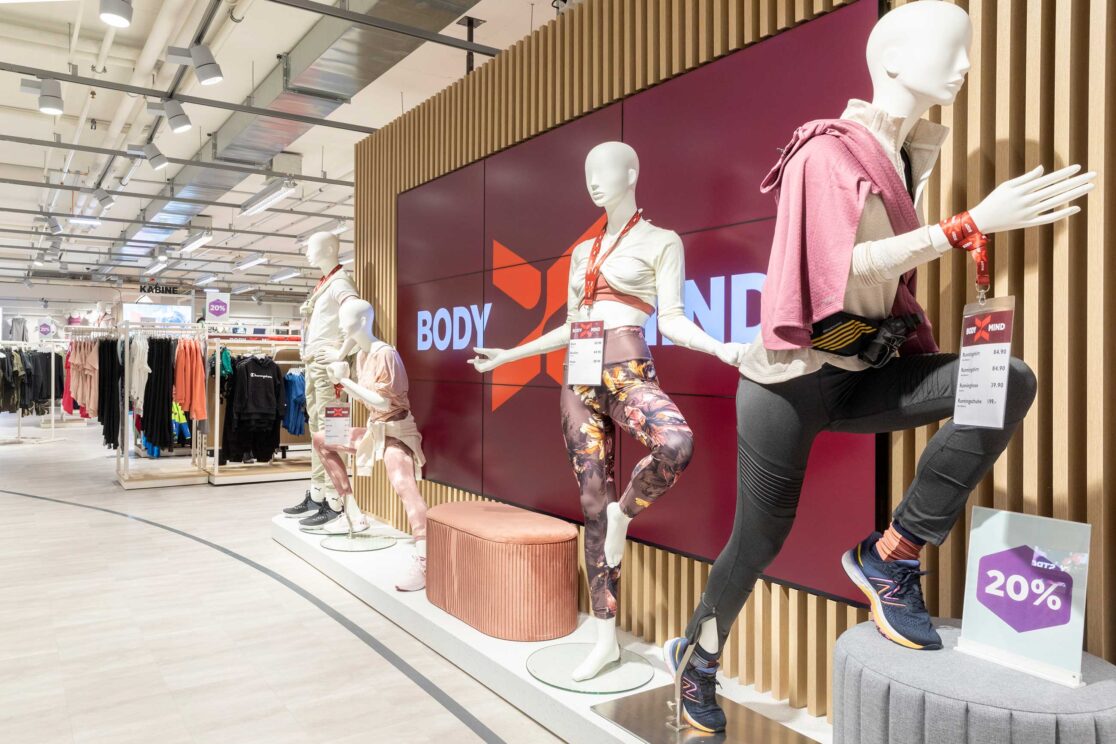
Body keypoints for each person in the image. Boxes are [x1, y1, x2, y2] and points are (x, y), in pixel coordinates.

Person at [662, 2, 1095, 734]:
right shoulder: (823, 151)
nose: (964, 66)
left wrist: (960, 229)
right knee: (758, 541)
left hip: (860, 372)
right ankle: (698, 656)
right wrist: (966, 226)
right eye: (949, 50)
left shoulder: (902, 157)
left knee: (1005, 381)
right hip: (787, 385)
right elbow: (839, 271)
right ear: (892, 58)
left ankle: (891, 553)